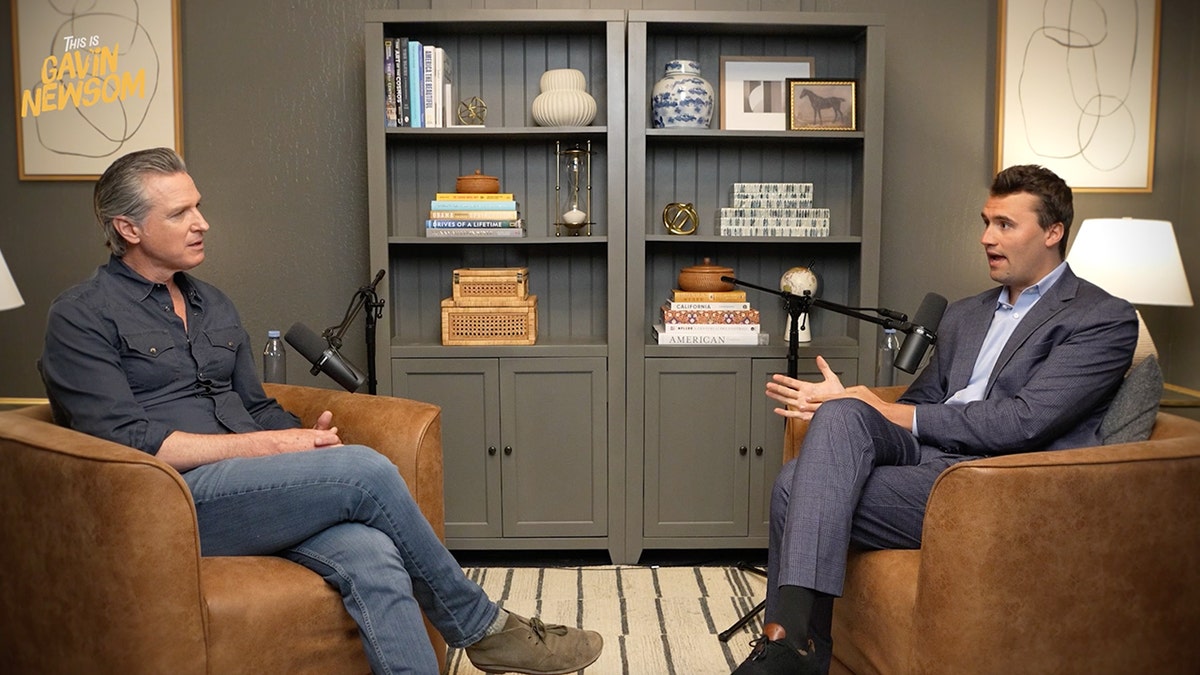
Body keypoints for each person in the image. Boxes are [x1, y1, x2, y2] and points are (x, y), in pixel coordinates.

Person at [40, 147, 603, 675]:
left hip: (251, 491)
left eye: (199, 206)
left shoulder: (212, 303)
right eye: (181, 211)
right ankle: (484, 629)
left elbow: (256, 407)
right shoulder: (81, 316)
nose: (202, 222)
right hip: (172, 504)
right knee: (365, 470)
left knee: (373, 551)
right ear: (129, 228)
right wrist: (274, 449)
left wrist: (304, 440)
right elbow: (127, 441)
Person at [732, 164, 1138, 674]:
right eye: (986, 222)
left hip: (992, 481)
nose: (987, 238)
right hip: (925, 459)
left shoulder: (1102, 318)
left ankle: (789, 648)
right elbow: (922, 400)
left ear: (1053, 232)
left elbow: (1024, 422)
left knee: (797, 483)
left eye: (1006, 225)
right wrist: (853, 405)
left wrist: (883, 409)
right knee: (842, 413)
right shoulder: (966, 313)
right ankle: (790, 647)